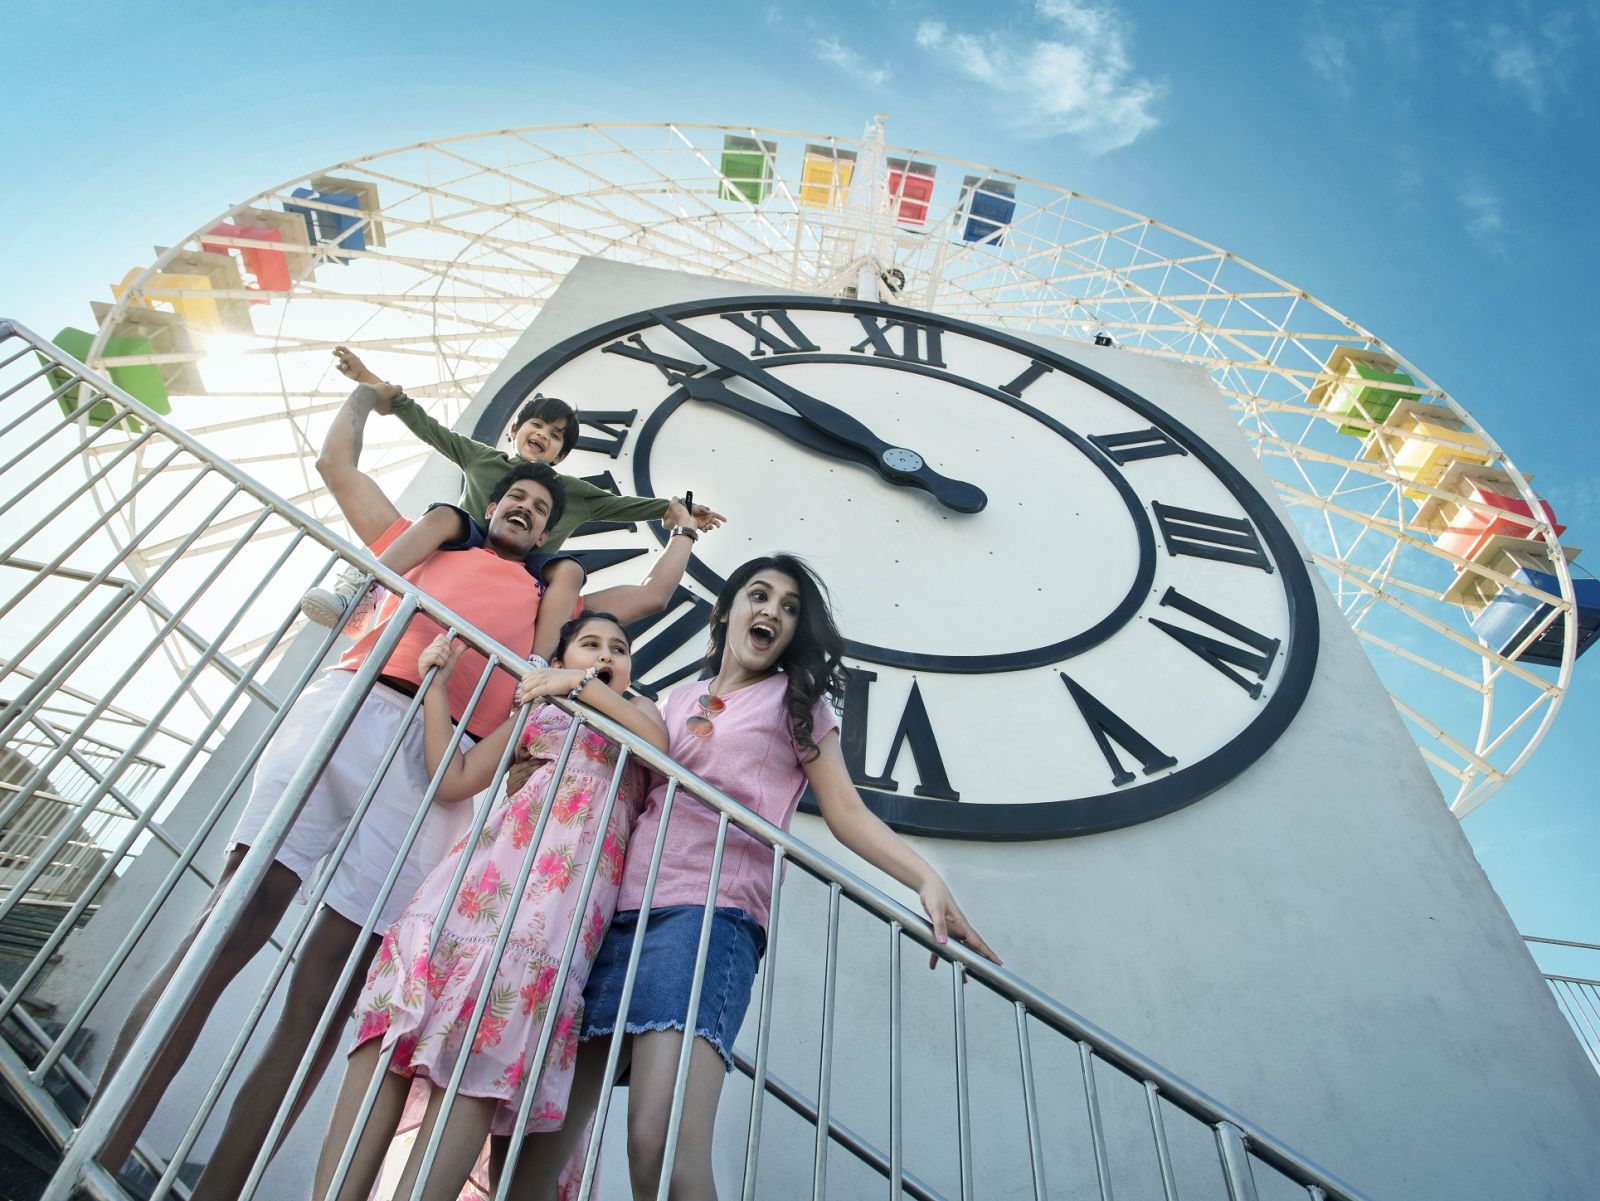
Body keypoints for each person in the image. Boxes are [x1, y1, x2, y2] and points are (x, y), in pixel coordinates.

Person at [92, 382, 712, 1200]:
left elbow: (655, 596)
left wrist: (679, 533)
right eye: (514, 493)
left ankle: (222, 1187)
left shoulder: (555, 601)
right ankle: (101, 1143)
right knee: (235, 917)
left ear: (552, 531)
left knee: (327, 986)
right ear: (489, 500)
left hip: (438, 762)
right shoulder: (437, 544)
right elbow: (335, 465)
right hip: (356, 706)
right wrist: (361, 397)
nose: (524, 504)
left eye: (538, 505)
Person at [486, 554, 1002, 1201]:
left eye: (789, 608)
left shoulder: (797, 703)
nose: (773, 612)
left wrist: (924, 876)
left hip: (707, 916)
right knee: (532, 1154)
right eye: (760, 595)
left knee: (660, 1143)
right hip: (614, 921)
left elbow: (843, 810)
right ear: (727, 609)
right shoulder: (672, 699)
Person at [314, 614, 666, 1201]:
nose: (607, 654)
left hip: (555, 909)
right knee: (398, 1020)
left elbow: (657, 749)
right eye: (590, 645)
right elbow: (453, 778)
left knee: (492, 1040)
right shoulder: (538, 709)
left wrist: (581, 685)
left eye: (619, 648)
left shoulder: (641, 712)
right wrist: (435, 689)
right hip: (481, 879)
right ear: (559, 659)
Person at [300, 347, 726, 669]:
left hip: (526, 565)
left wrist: (677, 510)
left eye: (556, 435)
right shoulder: (482, 458)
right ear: (516, 432)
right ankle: (360, 584)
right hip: (464, 542)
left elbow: (628, 507)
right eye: (537, 425)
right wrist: (369, 382)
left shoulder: (573, 492)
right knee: (445, 516)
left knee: (567, 570)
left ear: (560, 457)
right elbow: (425, 425)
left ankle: (535, 663)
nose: (544, 434)